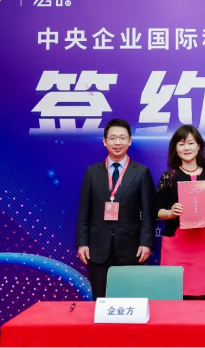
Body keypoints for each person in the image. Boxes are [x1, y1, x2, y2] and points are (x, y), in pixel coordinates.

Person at [76, 118, 156, 300]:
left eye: (122, 138)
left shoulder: (141, 172)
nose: (117, 142)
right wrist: (82, 243)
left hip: (131, 247)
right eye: (112, 138)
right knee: (100, 298)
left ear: (130, 141)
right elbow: (83, 211)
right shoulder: (92, 172)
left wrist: (146, 243)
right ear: (105, 141)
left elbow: (148, 213)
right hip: (97, 247)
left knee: (129, 298)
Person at [156, 125, 205, 299]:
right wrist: (171, 213)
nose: (186, 148)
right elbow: (157, 210)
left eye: (191, 143)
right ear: (175, 149)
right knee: (174, 294)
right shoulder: (168, 177)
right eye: (181, 144)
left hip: (202, 243)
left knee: (201, 296)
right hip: (176, 243)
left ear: (199, 146)